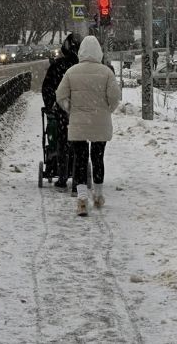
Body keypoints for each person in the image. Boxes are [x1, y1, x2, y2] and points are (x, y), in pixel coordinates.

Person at [56, 35, 121, 216]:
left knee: (81, 159)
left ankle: (82, 198)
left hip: (78, 122)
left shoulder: (71, 72)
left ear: (81, 52)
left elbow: (60, 96)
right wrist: (107, 109)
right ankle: (98, 196)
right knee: (98, 158)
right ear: (99, 51)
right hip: (100, 122)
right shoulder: (107, 72)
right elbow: (115, 97)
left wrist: (71, 109)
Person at [41, 33, 81, 188]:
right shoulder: (81, 68)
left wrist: (51, 104)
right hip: (79, 111)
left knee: (62, 141)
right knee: (79, 144)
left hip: (61, 111)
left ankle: (63, 174)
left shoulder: (58, 66)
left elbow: (48, 87)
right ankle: (78, 174)